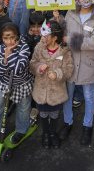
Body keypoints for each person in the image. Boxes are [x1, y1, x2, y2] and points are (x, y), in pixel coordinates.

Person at [59, 0, 94, 146]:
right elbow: (64, 31)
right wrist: (58, 20)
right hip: (70, 61)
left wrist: (70, 40)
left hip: (88, 63)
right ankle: (67, 122)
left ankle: (87, 126)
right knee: (67, 94)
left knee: (89, 95)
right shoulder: (70, 13)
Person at [30, 20, 74, 149]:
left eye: (46, 35)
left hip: (57, 91)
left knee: (54, 114)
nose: (42, 37)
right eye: (42, 35)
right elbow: (32, 63)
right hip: (41, 90)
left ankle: (53, 133)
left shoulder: (64, 52)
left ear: (55, 38)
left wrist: (58, 74)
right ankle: (45, 133)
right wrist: (38, 67)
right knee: (43, 113)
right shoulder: (38, 48)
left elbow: (69, 69)